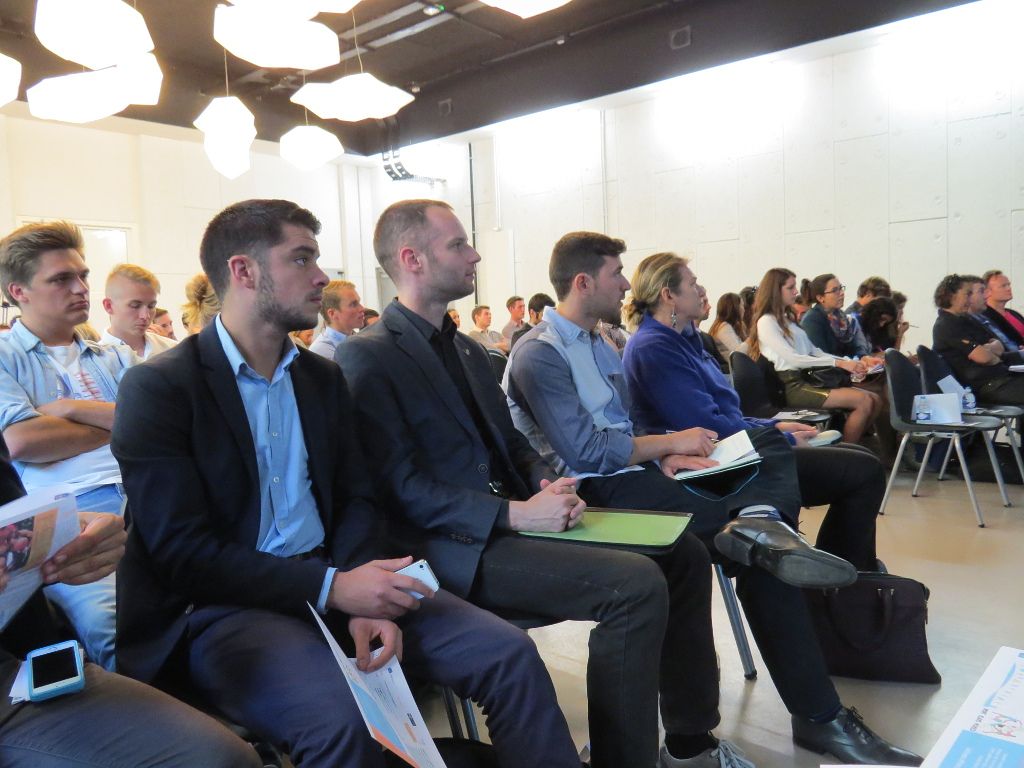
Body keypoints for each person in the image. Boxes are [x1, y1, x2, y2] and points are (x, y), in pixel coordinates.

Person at [111, 199, 579, 768]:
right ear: (243, 271)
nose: (321, 277)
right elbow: (180, 553)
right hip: (226, 605)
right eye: (302, 259)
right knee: (340, 721)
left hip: (337, 571)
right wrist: (335, 587)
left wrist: (363, 591)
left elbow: (358, 497)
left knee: (509, 653)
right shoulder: (161, 388)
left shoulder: (320, 378)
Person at [339, 199, 760, 768]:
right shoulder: (368, 357)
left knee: (681, 554)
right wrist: (515, 515)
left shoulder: (464, 349)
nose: (475, 253)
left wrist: (545, 482)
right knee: (633, 587)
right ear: (412, 259)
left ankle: (690, 743)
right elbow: (398, 489)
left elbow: (510, 444)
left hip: (513, 522)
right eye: (459, 244)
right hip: (451, 547)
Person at [505, 233, 919, 768]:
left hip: (637, 476)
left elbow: (626, 427)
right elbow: (587, 451)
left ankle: (762, 527)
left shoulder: (602, 340)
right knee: (756, 550)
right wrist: (669, 446)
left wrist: (660, 457)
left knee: (764, 466)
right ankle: (817, 718)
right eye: (615, 274)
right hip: (594, 498)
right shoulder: (541, 352)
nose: (626, 284)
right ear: (583, 283)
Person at [0, 436, 263, 768]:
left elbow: (12, 527)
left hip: (13, 671)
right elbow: (24, 439)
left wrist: (62, 541)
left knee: (221, 758)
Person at [622, 252, 884, 571]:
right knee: (863, 472)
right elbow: (707, 427)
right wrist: (777, 438)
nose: (701, 288)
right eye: (692, 283)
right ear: (669, 296)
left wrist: (772, 426)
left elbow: (724, 416)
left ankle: (840, 574)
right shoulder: (654, 347)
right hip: (715, 464)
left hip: (733, 449)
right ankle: (845, 582)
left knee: (859, 464)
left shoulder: (682, 342)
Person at [0, 220, 135, 671]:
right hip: (68, 517)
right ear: (18, 291)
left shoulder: (115, 355)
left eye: (83, 276)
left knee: (209, 600)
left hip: (148, 497)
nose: (80, 288)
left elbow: (162, 428)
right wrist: (121, 423)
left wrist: (68, 408)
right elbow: (20, 442)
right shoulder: (4, 357)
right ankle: (155, 735)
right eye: (61, 279)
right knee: (115, 626)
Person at [747, 268, 883, 446]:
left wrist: (849, 363)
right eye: (790, 287)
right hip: (791, 386)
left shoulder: (788, 319)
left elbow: (815, 351)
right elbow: (794, 359)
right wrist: (840, 363)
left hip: (805, 381)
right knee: (864, 401)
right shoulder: (766, 322)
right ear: (775, 290)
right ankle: (847, 452)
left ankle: (853, 444)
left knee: (876, 400)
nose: (796, 292)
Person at [932, 274, 1024, 405]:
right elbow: (984, 358)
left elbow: (999, 346)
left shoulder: (965, 320)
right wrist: (991, 354)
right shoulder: (947, 325)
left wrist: (988, 350)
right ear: (951, 295)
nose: (970, 300)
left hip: (1001, 379)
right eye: (966, 294)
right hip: (988, 386)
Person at [99, 264, 177, 360]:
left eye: (151, 306)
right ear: (109, 306)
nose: (145, 316)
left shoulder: (171, 350)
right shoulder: (95, 361)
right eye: (135, 306)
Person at [799, 274, 870, 358]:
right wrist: (849, 364)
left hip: (849, 368)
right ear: (821, 298)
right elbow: (821, 356)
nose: (842, 293)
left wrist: (864, 357)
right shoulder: (812, 321)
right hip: (828, 369)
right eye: (835, 290)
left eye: (841, 288)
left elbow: (856, 346)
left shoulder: (842, 317)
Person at [308, 280, 365, 359]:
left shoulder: (358, 339)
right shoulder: (322, 352)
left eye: (359, 302)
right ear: (332, 313)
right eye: (353, 304)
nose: (362, 308)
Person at [982, 270, 1024, 346]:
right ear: (987, 291)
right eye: (1003, 286)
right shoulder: (983, 317)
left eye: (1009, 285)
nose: (1009, 288)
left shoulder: (1014, 313)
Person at [708, 292, 747, 358]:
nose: (744, 309)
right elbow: (738, 353)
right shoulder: (724, 327)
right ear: (735, 308)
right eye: (742, 305)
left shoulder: (729, 326)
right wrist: (752, 339)